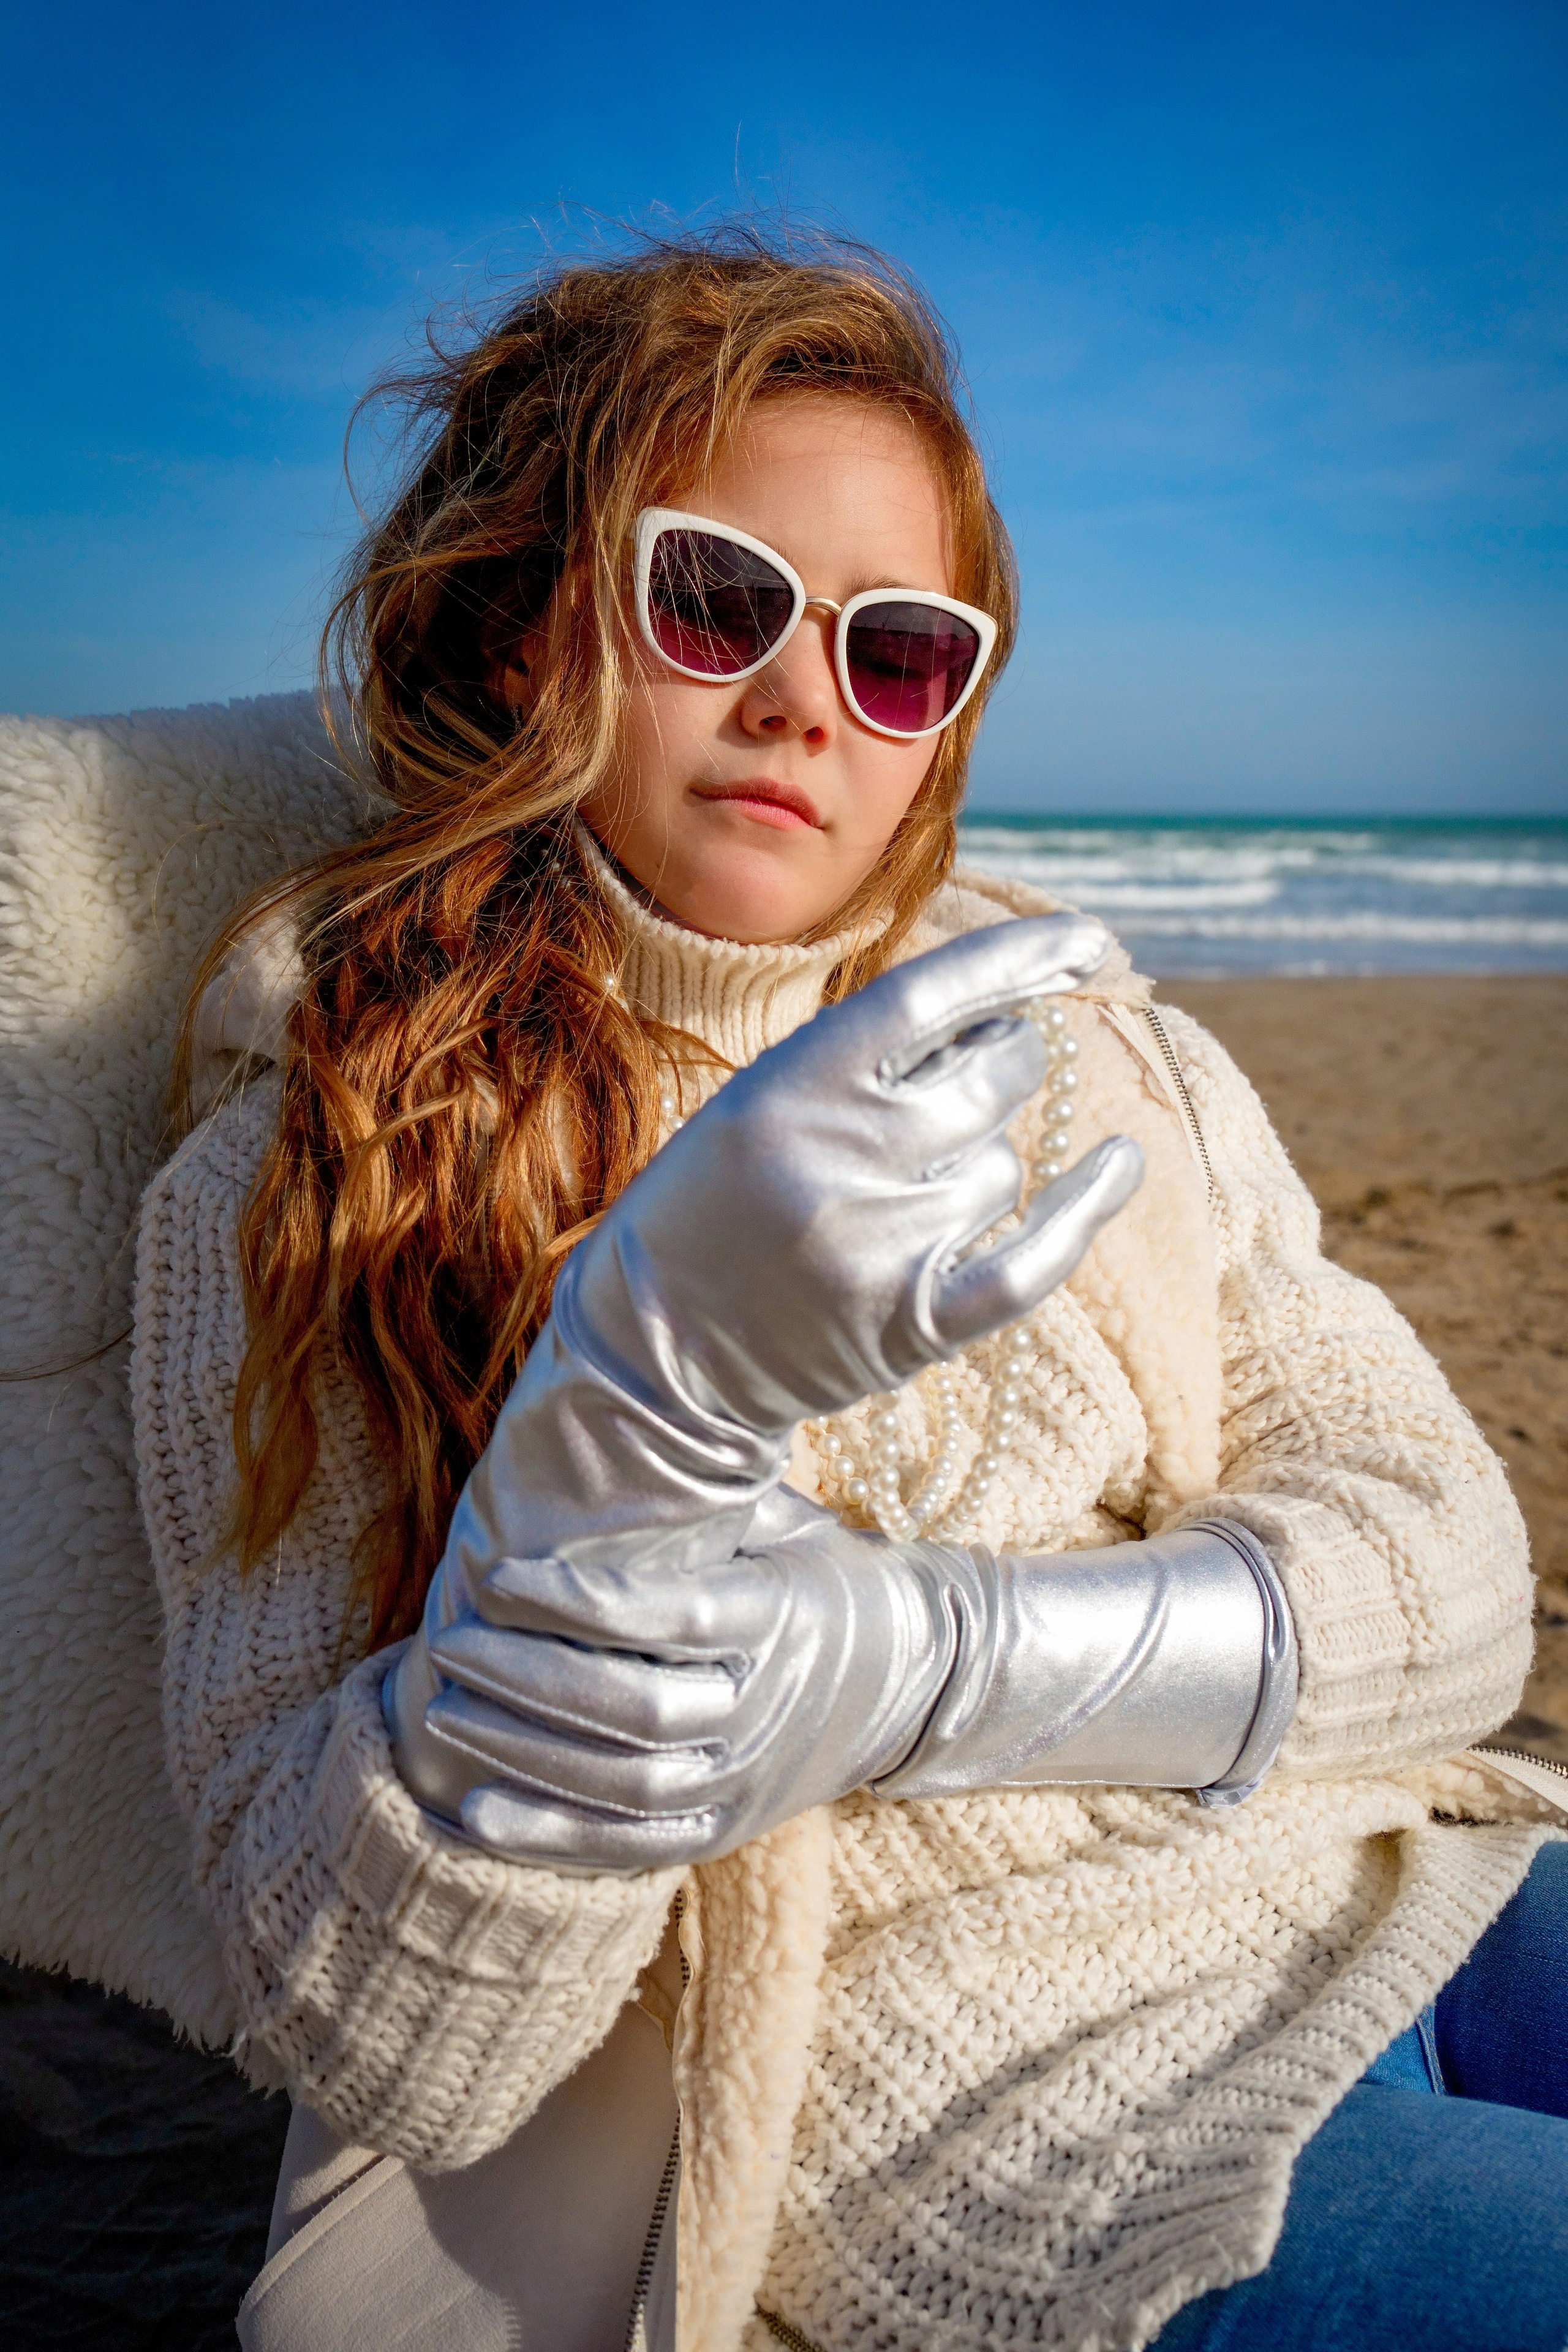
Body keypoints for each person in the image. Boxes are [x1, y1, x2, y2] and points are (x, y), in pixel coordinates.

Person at [130, 233, 1567, 2352]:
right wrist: (634, 1418)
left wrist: (920, 1663)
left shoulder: (1095, 1049)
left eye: (901, 652)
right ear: (534, 623)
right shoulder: (313, 1159)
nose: (808, 695)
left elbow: (1450, 1577)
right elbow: (367, 2026)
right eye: (717, 598)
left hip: (1401, 1890)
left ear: (937, 728)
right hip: (1001, 2115)